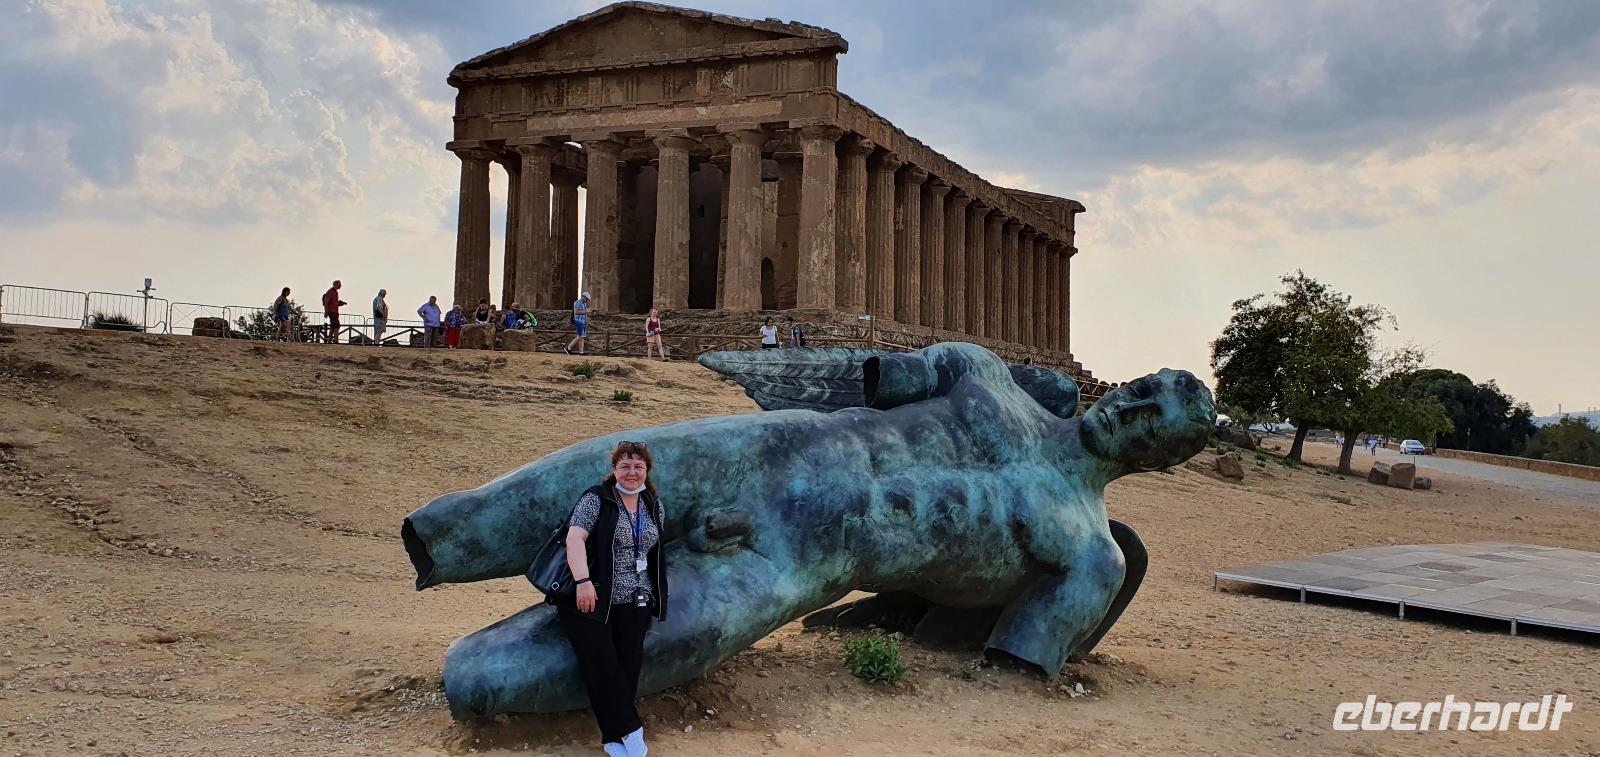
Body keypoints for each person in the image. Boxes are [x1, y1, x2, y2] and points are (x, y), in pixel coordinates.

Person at [560, 441, 667, 757]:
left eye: (638, 466)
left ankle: (611, 738)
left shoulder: (653, 504)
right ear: (614, 470)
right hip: (595, 597)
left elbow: (653, 549)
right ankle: (632, 733)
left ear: (646, 471)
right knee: (601, 665)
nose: (632, 472)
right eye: (625, 466)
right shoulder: (598, 499)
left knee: (628, 667)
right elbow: (574, 538)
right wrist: (583, 581)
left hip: (638, 598)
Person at [565, 291, 591, 356]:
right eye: (587, 299)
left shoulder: (584, 304)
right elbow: (576, 312)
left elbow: (584, 312)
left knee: (582, 337)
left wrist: (588, 312)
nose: (587, 300)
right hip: (579, 321)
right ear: (583, 297)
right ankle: (568, 348)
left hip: (584, 321)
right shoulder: (577, 302)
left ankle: (581, 352)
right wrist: (586, 311)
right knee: (579, 336)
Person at [322, 280, 346, 345]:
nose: (340, 285)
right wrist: (326, 312)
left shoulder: (335, 292)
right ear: (336, 284)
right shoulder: (330, 292)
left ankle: (329, 340)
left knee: (333, 326)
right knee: (336, 326)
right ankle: (336, 341)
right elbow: (326, 302)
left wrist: (340, 304)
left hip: (335, 311)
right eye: (339, 284)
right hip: (332, 311)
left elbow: (334, 303)